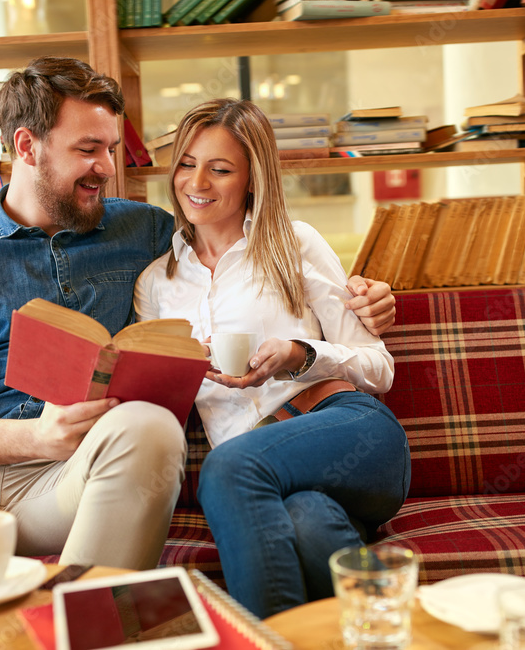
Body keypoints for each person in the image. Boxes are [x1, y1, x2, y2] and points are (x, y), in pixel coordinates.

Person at [0, 57, 395, 605]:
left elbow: (249, 246)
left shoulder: (144, 234)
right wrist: (32, 434)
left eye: (111, 149)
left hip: (81, 477)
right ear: (27, 147)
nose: (107, 168)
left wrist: (366, 295)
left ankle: (80, 627)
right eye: (88, 150)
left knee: (149, 425)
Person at [134, 98, 411, 619]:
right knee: (308, 522)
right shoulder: (157, 283)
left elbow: (380, 366)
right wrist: (170, 370)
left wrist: (300, 354)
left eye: (220, 169)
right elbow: (162, 407)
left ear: (252, 180)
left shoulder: (293, 243)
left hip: (348, 427)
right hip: (271, 478)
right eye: (187, 164)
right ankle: (376, 627)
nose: (198, 182)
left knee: (227, 469)